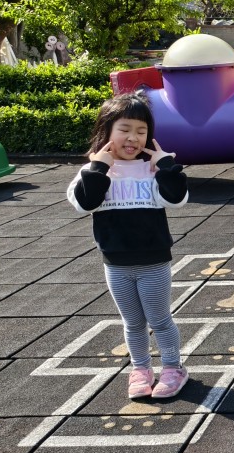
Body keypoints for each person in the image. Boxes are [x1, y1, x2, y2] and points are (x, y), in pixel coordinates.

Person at [67, 91, 190, 400]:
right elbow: (84, 204)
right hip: (116, 264)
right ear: (106, 131)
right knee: (133, 322)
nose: (133, 138)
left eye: (141, 131)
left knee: (160, 319)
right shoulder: (91, 172)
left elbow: (177, 199)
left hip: (153, 262)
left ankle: (173, 368)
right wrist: (99, 169)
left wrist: (166, 166)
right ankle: (140, 369)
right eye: (124, 129)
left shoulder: (151, 169)